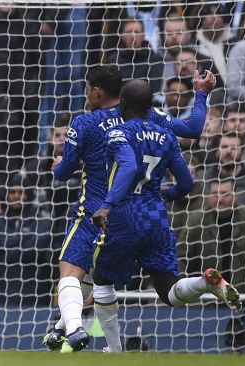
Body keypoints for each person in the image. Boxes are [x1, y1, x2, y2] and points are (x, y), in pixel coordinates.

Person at [45, 65, 215, 353]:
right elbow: (192, 129)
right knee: (98, 276)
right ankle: (62, 329)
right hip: (141, 213)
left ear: (96, 91)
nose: (87, 93)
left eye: (88, 88)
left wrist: (58, 164)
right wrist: (200, 94)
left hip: (96, 210)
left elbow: (64, 174)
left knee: (72, 274)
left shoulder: (84, 123)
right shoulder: (150, 116)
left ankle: (74, 330)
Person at [89, 79, 241, 352]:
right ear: (151, 105)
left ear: (122, 103)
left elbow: (128, 166)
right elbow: (185, 184)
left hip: (124, 216)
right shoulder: (166, 136)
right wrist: (165, 195)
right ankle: (203, 281)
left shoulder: (118, 133)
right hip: (156, 219)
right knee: (169, 292)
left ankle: (113, 349)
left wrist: (108, 204)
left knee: (101, 280)